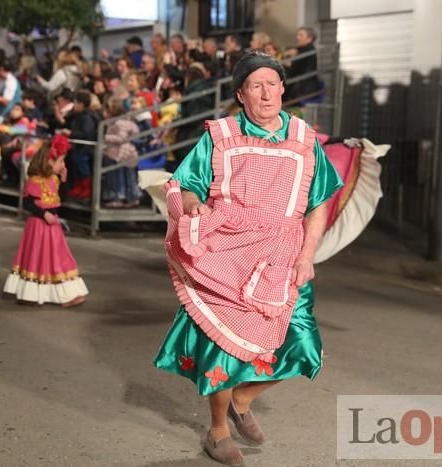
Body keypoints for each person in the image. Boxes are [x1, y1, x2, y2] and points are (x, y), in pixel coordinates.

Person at [153, 52, 342, 465]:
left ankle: (242, 398)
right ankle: (218, 431)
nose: (266, 92)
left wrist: (307, 256)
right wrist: (194, 204)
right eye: (255, 85)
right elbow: (189, 183)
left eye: (272, 84)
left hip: (284, 254)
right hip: (229, 254)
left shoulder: (305, 139)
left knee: (304, 347)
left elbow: (318, 203)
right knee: (225, 346)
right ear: (241, 94)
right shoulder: (219, 135)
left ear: (283, 90)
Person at [3, 135, 88, 307]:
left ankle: (65, 294)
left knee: (57, 257)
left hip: (52, 226)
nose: (63, 165)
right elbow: (28, 202)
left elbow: (60, 199)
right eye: (60, 161)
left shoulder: (55, 180)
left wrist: (64, 181)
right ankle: (33, 294)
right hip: (38, 225)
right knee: (37, 257)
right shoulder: (35, 181)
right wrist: (43, 214)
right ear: (49, 161)